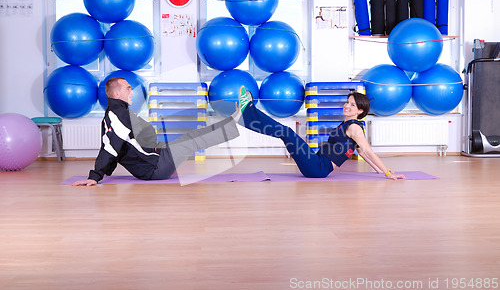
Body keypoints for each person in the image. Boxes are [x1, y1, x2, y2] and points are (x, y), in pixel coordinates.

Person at [72, 77, 241, 186]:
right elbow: (110, 147)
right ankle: (233, 123)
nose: (132, 92)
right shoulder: (116, 115)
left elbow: (124, 144)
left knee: (191, 137)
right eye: (128, 88)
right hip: (154, 168)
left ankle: (232, 122)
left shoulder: (120, 113)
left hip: (157, 160)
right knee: (193, 140)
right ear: (117, 93)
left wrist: (107, 172)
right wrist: (95, 176)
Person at [238, 87, 405, 180]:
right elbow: (362, 153)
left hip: (318, 168)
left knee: (286, 132)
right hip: (316, 163)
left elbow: (367, 151)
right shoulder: (347, 124)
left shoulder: (354, 127)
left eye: (352, 105)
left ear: (360, 111)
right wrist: (378, 171)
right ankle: (248, 114)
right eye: (347, 102)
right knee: (285, 134)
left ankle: (248, 111)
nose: (347, 106)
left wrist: (388, 173)